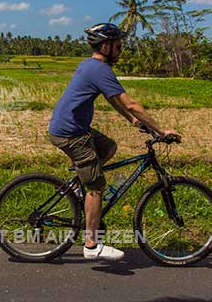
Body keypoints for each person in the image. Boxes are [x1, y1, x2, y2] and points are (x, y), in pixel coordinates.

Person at [48, 23, 181, 261]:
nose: (120, 50)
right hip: (71, 134)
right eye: (118, 46)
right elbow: (130, 102)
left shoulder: (91, 66)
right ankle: (91, 245)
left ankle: (80, 184)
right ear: (106, 46)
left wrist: (131, 120)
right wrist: (161, 130)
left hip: (73, 128)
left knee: (108, 147)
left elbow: (114, 101)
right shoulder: (99, 70)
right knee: (97, 186)